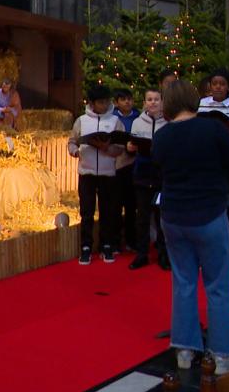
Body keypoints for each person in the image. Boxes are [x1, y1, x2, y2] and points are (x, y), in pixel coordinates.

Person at [151, 79, 229, 374]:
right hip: (208, 215)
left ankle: (184, 350)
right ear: (193, 99)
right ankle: (222, 355)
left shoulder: (163, 136)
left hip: (173, 217)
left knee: (183, 282)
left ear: (169, 104)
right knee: (217, 286)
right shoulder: (211, 129)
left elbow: (161, 166)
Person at [68, 85, 125, 265]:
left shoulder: (116, 121)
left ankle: (106, 245)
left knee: (108, 211)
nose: (104, 104)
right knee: (87, 211)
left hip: (108, 173)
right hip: (87, 172)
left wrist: (106, 147)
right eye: (101, 102)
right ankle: (86, 246)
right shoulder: (81, 121)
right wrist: (76, 151)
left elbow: (121, 149)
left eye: (107, 101)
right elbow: (71, 142)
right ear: (92, 103)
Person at [197, 68, 229, 259]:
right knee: (207, 209)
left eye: (222, 84)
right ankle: (207, 252)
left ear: (228, 86)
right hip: (207, 163)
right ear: (210, 86)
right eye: (215, 83)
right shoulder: (201, 105)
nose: (218, 87)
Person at [125, 87, 167, 269]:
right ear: (144, 103)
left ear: (162, 102)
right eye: (149, 99)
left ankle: (164, 255)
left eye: (156, 99)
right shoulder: (137, 122)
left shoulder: (168, 123)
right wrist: (130, 147)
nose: (153, 103)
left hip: (161, 175)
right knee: (142, 216)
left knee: (161, 217)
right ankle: (142, 253)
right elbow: (131, 146)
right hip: (142, 173)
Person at [112, 88, 141, 251]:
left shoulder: (138, 117)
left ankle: (131, 240)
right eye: (123, 99)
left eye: (129, 99)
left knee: (132, 205)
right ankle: (116, 241)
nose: (127, 102)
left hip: (134, 164)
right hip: (117, 165)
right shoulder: (112, 118)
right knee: (116, 205)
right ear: (116, 103)